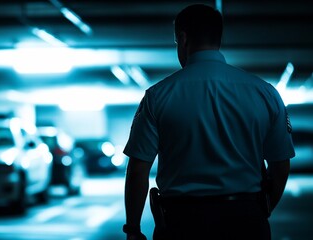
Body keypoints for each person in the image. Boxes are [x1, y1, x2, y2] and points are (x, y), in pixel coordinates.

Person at [123, 4, 295, 240]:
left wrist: (133, 228)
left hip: (182, 223)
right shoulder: (265, 93)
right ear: (218, 38)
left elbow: (137, 169)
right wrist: (259, 212)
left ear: (182, 39)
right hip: (246, 218)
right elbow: (281, 165)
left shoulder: (158, 96)